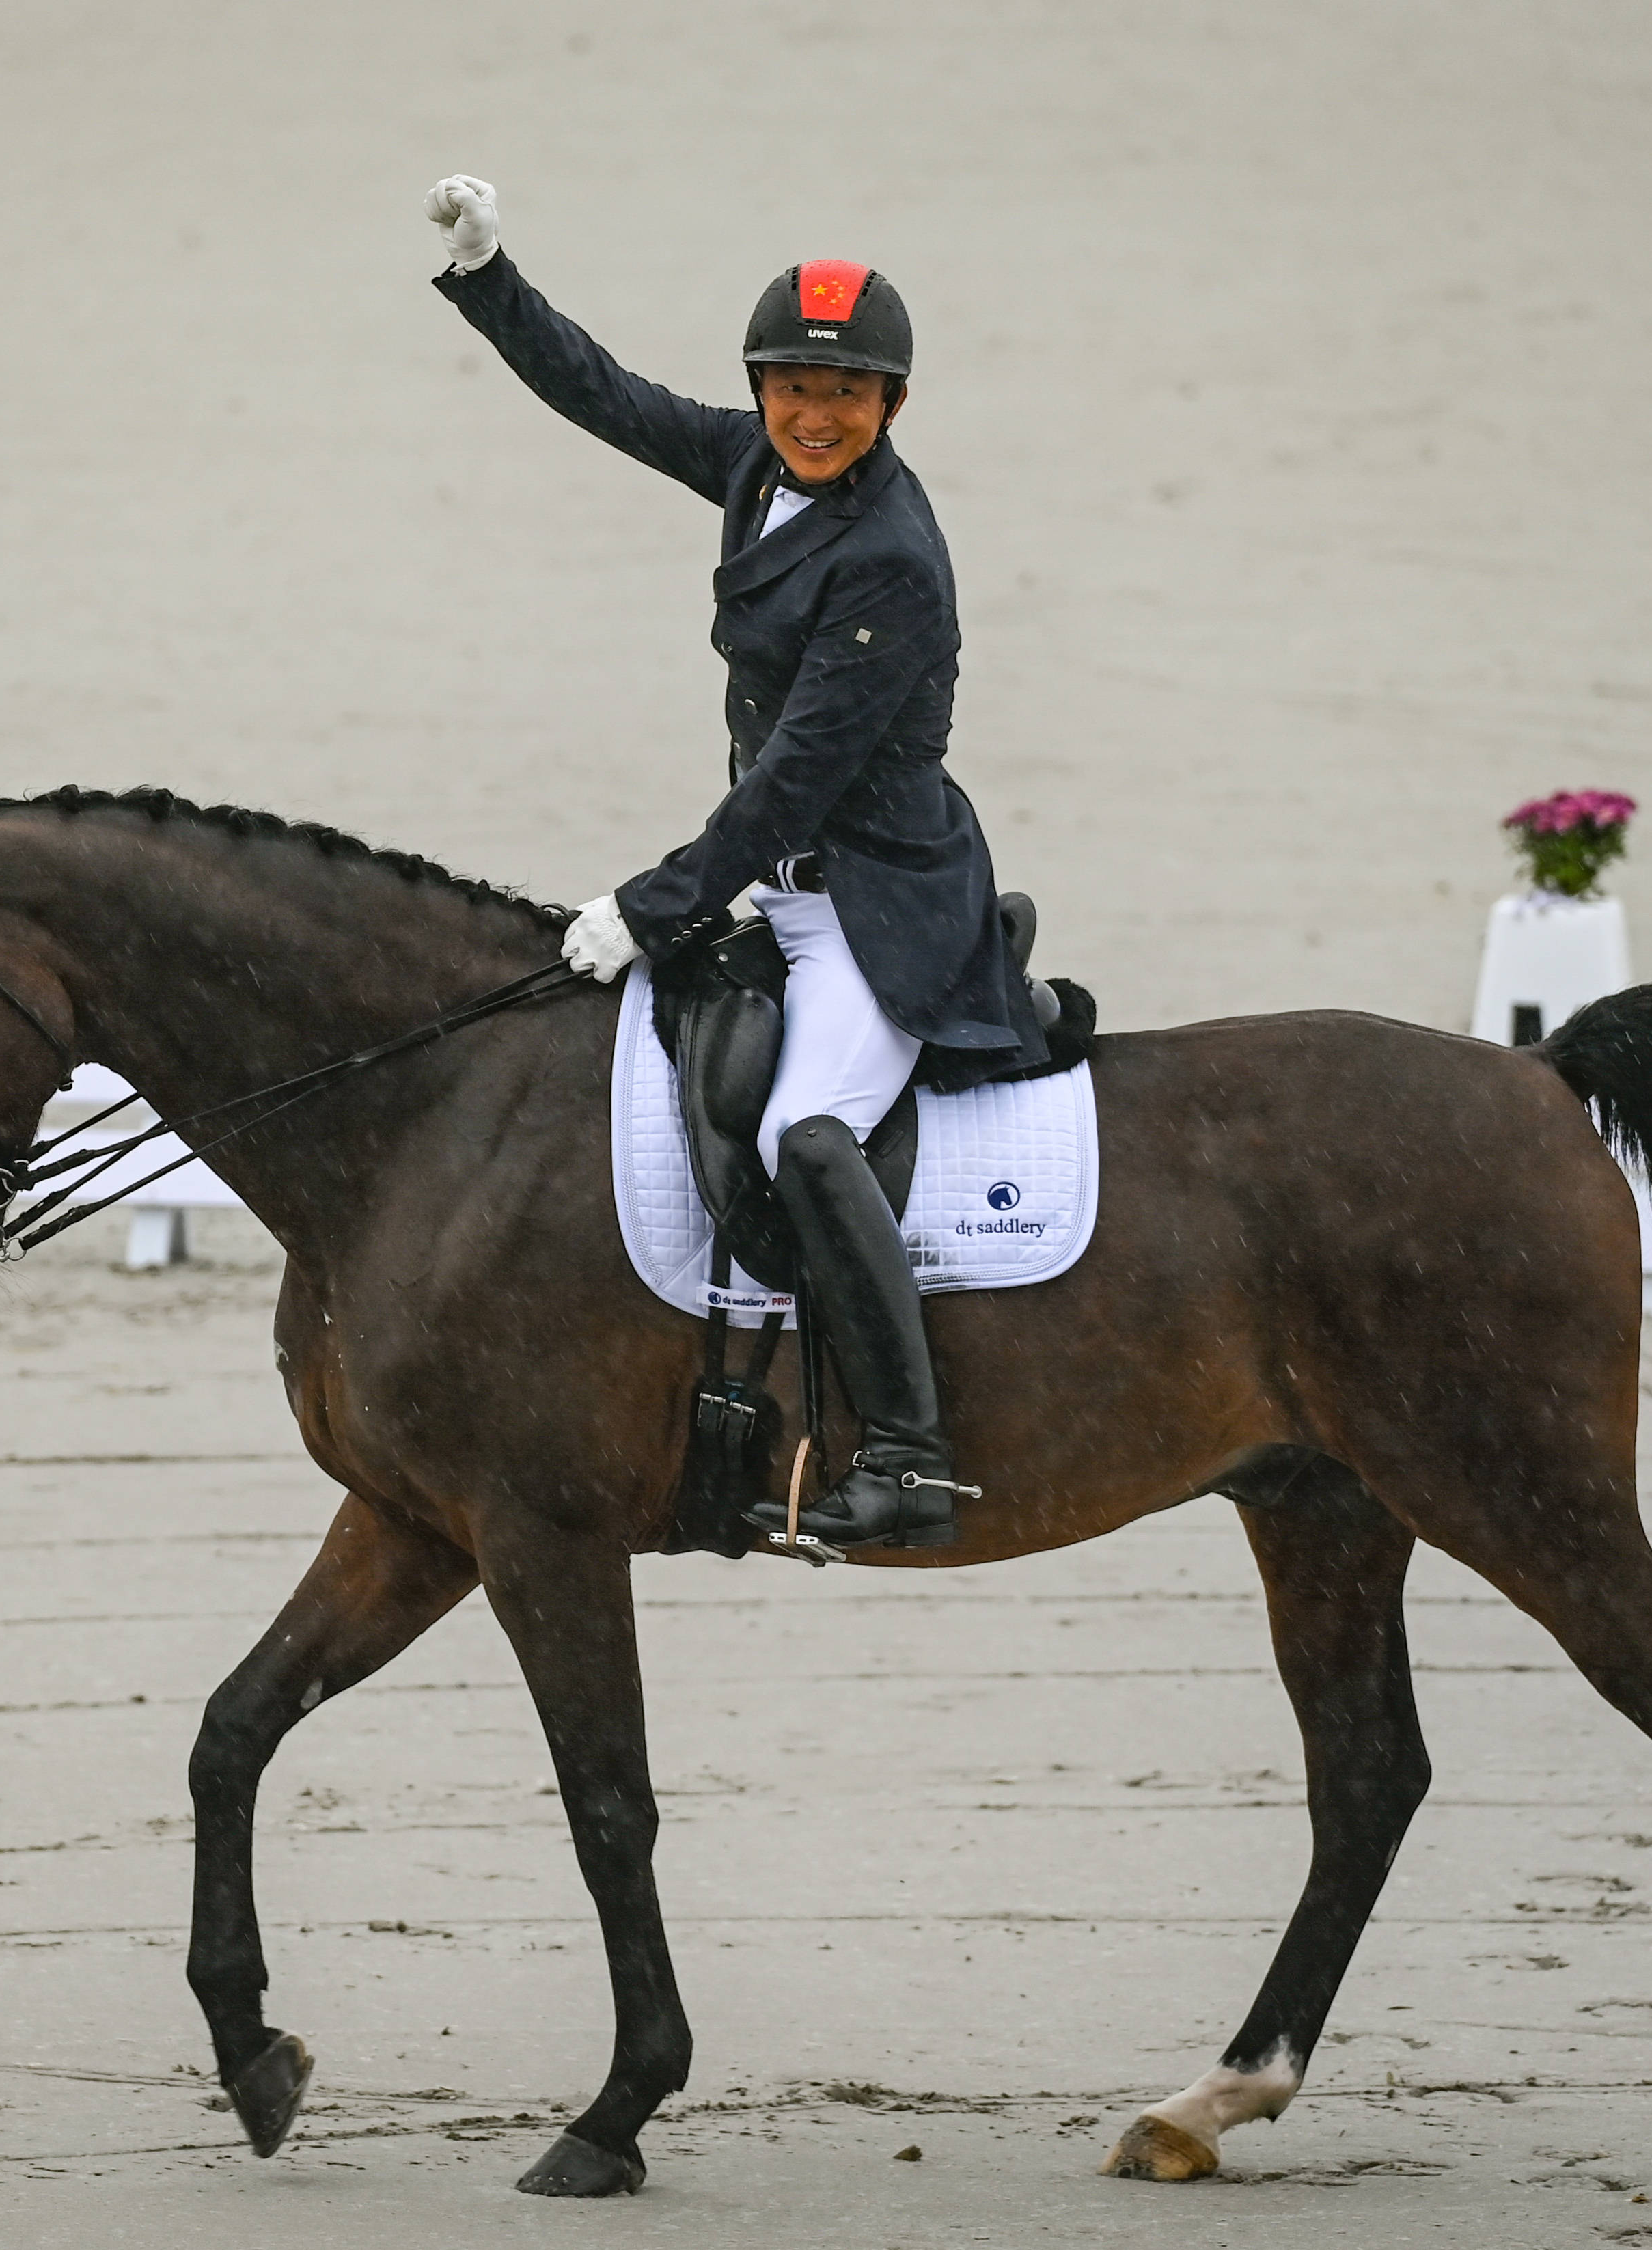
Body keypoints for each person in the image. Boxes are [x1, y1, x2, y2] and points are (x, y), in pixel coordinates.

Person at [425, 174, 1045, 1552]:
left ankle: (911, 1451)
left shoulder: (887, 561)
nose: (815, 415)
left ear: (892, 407)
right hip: (784, 888)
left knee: (806, 1138)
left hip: (881, 906)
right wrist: (492, 279)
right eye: (792, 387)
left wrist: (649, 908)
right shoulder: (766, 470)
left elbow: (791, 786)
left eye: (848, 394)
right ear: (764, 389)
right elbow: (612, 398)